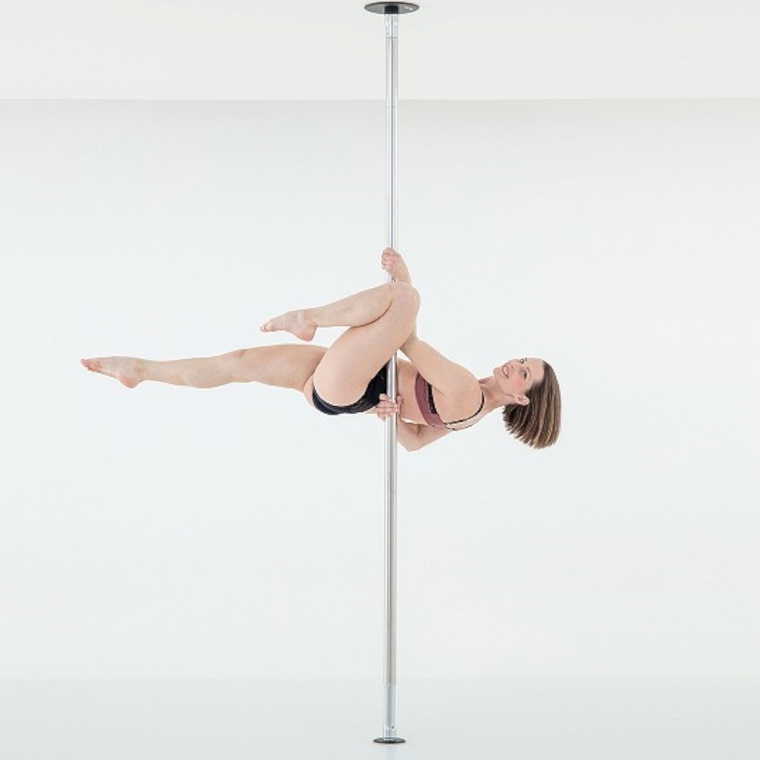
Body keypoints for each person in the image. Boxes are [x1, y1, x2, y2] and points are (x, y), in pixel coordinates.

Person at [81, 249, 561, 451]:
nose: (514, 364)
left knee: (406, 299)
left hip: (353, 384)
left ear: (522, 397)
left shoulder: (466, 391)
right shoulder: (469, 416)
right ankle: (140, 369)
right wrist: (392, 416)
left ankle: (309, 318)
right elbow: (414, 443)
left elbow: (406, 337)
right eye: (522, 360)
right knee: (238, 364)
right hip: (346, 386)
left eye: (524, 373)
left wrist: (406, 281)